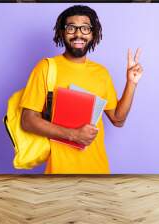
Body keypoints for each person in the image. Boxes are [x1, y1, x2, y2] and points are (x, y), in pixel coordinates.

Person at [20, 5, 143, 174]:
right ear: (62, 32)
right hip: (59, 171)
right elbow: (27, 120)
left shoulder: (101, 73)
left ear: (93, 34)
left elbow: (118, 119)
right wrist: (74, 135)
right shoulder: (46, 67)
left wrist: (131, 83)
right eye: (71, 28)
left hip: (98, 169)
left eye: (85, 28)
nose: (78, 34)